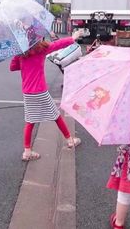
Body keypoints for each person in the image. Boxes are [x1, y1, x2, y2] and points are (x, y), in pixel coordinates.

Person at [10, 30, 83, 161]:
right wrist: (73, 37)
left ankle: (27, 151)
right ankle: (70, 140)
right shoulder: (41, 49)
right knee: (56, 116)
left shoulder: (21, 53)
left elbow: (13, 67)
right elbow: (59, 44)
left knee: (30, 120)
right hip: (40, 90)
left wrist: (21, 59)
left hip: (27, 92)